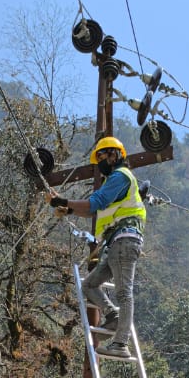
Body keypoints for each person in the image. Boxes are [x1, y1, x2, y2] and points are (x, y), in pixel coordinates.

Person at [47, 136, 146, 360]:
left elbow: (95, 203)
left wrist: (64, 201)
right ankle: (111, 315)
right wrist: (69, 209)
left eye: (102, 156)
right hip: (115, 244)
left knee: (124, 292)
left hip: (125, 240)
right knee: (89, 285)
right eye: (98, 157)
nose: (100, 161)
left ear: (115, 154)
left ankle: (121, 343)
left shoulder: (120, 176)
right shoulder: (114, 181)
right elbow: (93, 211)